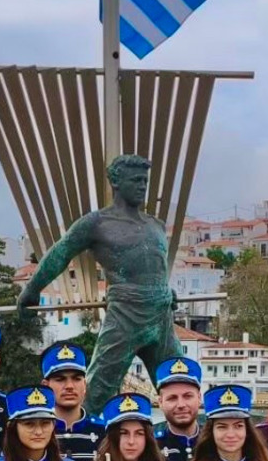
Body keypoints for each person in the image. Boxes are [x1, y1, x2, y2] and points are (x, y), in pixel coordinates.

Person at [15, 152, 186, 416]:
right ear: (116, 182)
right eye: (136, 180)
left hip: (161, 317)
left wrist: (165, 289)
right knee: (96, 394)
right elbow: (60, 253)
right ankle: (78, 436)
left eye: (145, 181)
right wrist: (32, 289)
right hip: (125, 317)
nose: (142, 186)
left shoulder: (156, 226)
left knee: (180, 386)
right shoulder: (97, 223)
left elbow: (154, 267)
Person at [40, 344, 104, 461]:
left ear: (84, 384)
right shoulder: (36, 433)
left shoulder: (103, 431)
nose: (69, 386)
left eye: (76, 379)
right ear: (45, 386)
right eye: (60, 379)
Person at [154, 356, 204, 461]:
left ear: (199, 398)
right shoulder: (150, 443)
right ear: (160, 402)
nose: (181, 405)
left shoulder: (213, 441)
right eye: (172, 398)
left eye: (188, 396)